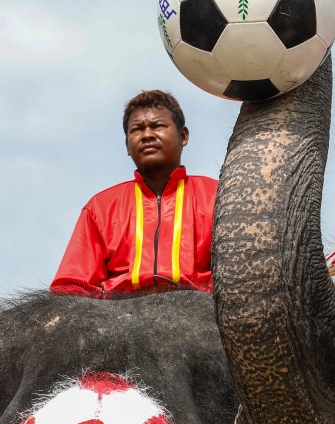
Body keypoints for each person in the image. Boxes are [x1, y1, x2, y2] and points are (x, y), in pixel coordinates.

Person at [51, 90, 217, 297]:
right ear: (127, 146)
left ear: (183, 136)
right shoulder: (100, 207)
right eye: (137, 130)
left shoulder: (218, 197)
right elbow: (71, 286)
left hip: (200, 315)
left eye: (158, 126)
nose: (147, 135)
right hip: (119, 318)